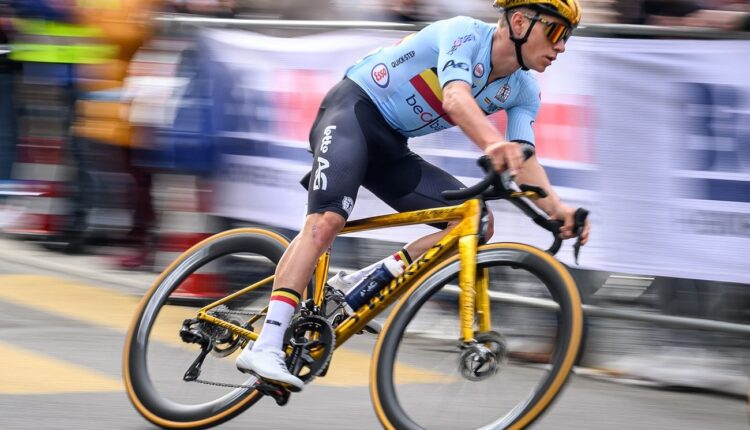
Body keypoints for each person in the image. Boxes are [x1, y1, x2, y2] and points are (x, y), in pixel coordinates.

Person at [235, 0, 591, 391]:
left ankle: (362, 283)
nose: (561, 46)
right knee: (326, 222)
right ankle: (265, 344)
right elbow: (455, 97)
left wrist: (557, 209)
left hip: (392, 147)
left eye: (567, 37)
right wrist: (493, 144)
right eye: (556, 32)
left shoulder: (524, 89)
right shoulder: (464, 34)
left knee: (476, 224)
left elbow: (524, 158)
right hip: (353, 111)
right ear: (519, 22)